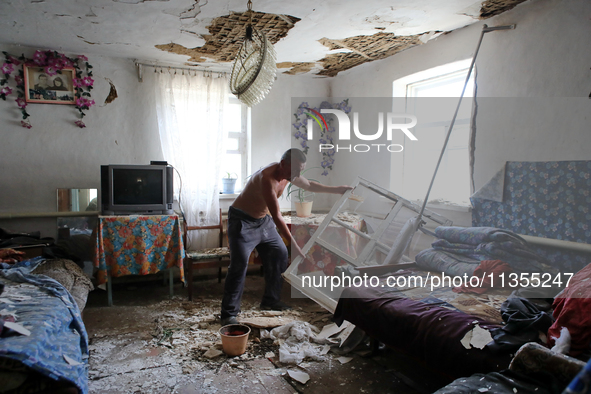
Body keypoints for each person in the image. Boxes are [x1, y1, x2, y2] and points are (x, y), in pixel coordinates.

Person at [220, 148, 352, 326]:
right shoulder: (266, 178)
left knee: (280, 253)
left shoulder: (290, 174)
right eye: (295, 169)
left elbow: (309, 185)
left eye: (300, 170)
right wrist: (294, 243)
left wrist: (338, 190)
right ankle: (228, 314)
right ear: (283, 164)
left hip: (262, 221)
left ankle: (271, 300)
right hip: (242, 221)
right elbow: (277, 216)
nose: (298, 174)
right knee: (239, 265)